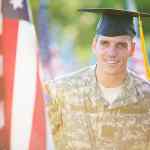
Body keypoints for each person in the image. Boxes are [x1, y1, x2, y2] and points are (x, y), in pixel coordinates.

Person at [45, 8, 150, 150]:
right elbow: (38, 139)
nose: (112, 53)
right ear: (94, 45)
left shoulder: (147, 98)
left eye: (120, 45)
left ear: (132, 49)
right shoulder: (60, 91)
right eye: (105, 43)